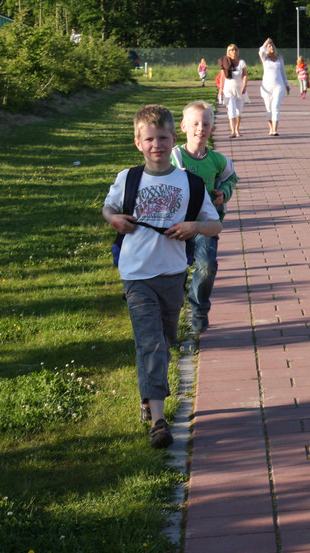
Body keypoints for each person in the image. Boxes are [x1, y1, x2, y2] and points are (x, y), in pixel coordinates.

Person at [102, 105, 222, 448]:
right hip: (136, 273)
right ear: (138, 143)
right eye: (149, 139)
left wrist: (194, 227)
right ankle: (158, 420)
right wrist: (113, 219)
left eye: (163, 138)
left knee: (165, 340)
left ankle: (147, 393)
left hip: (172, 273)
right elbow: (108, 207)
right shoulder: (128, 179)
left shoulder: (190, 183)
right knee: (151, 342)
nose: (157, 145)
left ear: (173, 139)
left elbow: (215, 225)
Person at [172, 100, 239, 335]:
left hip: (205, 224)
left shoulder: (217, 160)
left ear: (212, 128)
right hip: (176, 224)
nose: (200, 128)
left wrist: (223, 193)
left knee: (207, 265)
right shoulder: (174, 157)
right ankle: (172, 308)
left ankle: (199, 308)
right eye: (195, 124)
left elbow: (231, 177)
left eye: (206, 124)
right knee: (175, 269)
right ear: (183, 126)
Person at [258, 38, 290, 136]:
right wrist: (266, 42)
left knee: (275, 106)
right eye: (269, 46)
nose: (271, 47)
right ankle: (271, 128)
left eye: (272, 45)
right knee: (269, 108)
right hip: (267, 87)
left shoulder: (279, 58)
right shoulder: (265, 58)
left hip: (278, 86)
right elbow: (261, 50)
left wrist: (286, 84)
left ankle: (275, 129)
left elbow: (283, 72)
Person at [218, 44, 248, 138]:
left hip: (240, 90)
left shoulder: (241, 62)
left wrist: (244, 85)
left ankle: (237, 130)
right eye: (231, 50)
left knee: (239, 111)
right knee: (231, 110)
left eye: (235, 50)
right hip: (229, 89)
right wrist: (221, 89)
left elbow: (245, 75)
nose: (234, 52)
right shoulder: (225, 62)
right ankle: (232, 131)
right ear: (228, 51)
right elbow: (222, 77)